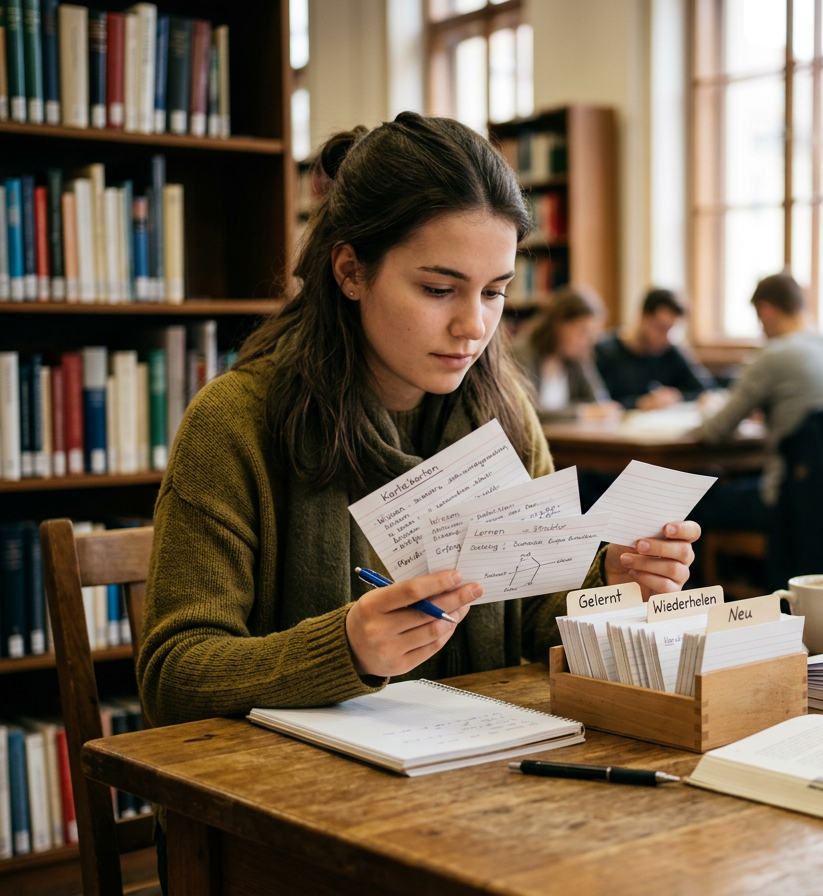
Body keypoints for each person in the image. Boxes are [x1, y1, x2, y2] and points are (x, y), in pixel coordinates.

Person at [137, 114, 700, 887]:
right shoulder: (234, 422)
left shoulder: (501, 410)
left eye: (496, 292)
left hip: (481, 795)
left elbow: (536, 614)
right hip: (289, 822)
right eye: (439, 289)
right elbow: (173, 672)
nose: (473, 327)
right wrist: (348, 649)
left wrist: (611, 581)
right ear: (351, 271)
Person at [693, 272, 823, 532]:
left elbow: (714, 431)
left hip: (793, 501)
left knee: (697, 503)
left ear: (766, 311)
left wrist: (708, 407)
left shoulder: (774, 355)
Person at [511, 285, 620, 421]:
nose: (589, 341)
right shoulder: (523, 354)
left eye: (592, 334)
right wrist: (580, 412)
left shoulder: (576, 358)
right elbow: (526, 410)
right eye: (583, 331)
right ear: (558, 324)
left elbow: (599, 402)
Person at [594, 288, 716, 409]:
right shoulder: (605, 352)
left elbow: (705, 388)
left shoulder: (670, 351)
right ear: (643, 316)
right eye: (661, 328)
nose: (666, 337)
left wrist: (677, 396)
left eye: (672, 330)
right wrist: (639, 403)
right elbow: (599, 404)